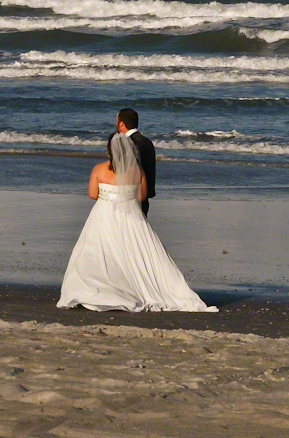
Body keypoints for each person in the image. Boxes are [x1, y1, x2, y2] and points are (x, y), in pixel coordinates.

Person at [57, 131, 216, 312]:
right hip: (131, 215)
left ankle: (98, 289)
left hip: (104, 214)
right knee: (134, 253)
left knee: (98, 252)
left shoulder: (99, 169)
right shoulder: (137, 170)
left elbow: (92, 194)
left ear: (109, 149)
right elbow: (142, 195)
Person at [116, 106, 155, 216]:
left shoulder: (126, 142)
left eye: (116, 121)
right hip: (145, 194)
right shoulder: (146, 141)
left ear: (121, 124)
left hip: (131, 195)